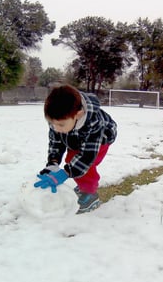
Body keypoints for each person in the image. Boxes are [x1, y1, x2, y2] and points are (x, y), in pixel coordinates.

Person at [34, 84, 117, 214]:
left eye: (60, 124)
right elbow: (55, 142)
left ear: (78, 115)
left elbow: (87, 157)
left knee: (82, 164)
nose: (56, 128)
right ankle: (83, 184)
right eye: (52, 124)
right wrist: (52, 164)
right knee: (72, 161)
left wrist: (65, 173)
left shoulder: (94, 122)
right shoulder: (58, 120)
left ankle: (90, 194)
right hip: (75, 137)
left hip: (101, 140)